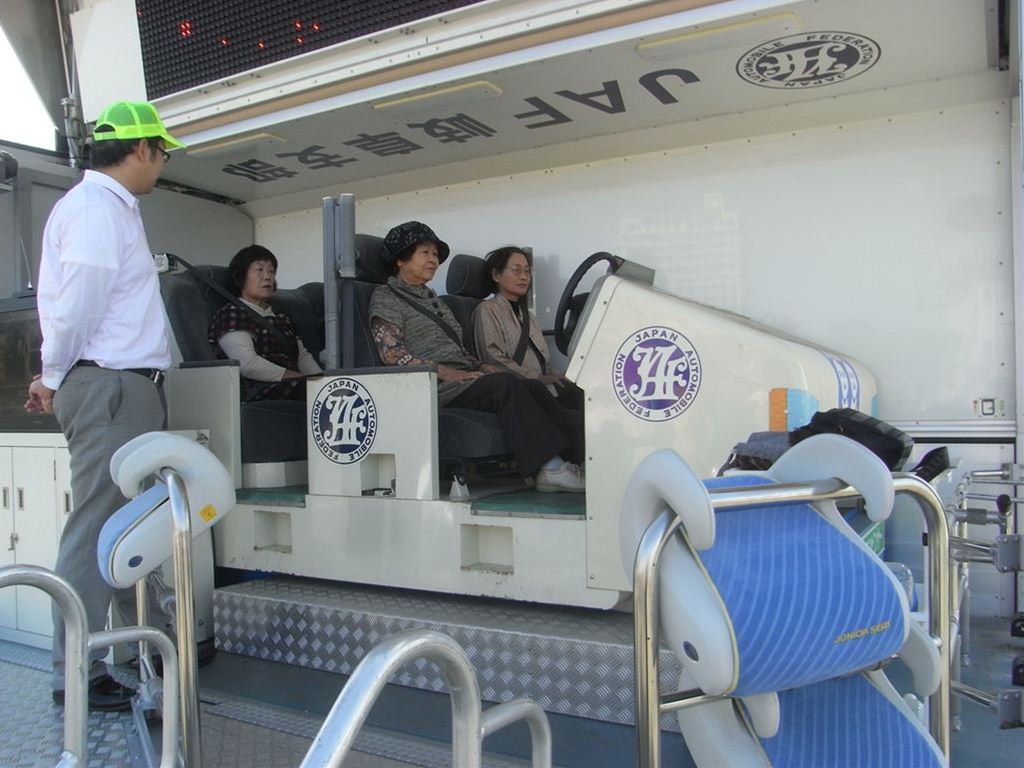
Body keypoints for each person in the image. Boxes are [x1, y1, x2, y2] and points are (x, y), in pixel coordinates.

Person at [24, 100, 183, 711]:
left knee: (124, 526)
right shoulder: (95, 209)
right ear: (141, 149)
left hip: (124, 386)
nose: (163, 164)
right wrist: (52, 375)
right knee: (97, 527)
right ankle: (77, 672)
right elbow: (78, 305)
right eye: (162, 153)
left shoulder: (109, 208)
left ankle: (141, 647)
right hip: (110, 386)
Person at [368, 221, 584, 492]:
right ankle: (550, 469)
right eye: (425, 253)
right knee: (506, 385)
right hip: (431, 386)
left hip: (460, 380)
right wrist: (445, 372)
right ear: (401, 259)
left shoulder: (434, 300)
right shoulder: (386, 297)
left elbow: (456, 351)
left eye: (435, 254)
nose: (434, 260)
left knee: (531, 386)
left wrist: (481, 366)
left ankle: (579, 461)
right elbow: (392, 354)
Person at [472, 246, 582, 409]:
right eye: (516, 270)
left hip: (544, 387)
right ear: (496, 275)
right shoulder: (487, 310)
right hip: (522, 390)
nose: (524, 277)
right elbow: (493, 359)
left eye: (527, 271)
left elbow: (541, 361)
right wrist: (538, 378)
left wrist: (556, 375)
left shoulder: (529, 317)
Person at [208, 245, 322, 401]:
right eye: (259, 270)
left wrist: (321, 382)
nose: (267, 276)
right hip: (261, 391)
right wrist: (298, 378)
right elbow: (247, 363)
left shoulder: (281, 317)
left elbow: (302, 356)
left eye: (271, 271)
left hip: (294, 385)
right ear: (239, 276)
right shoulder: (232, 314)